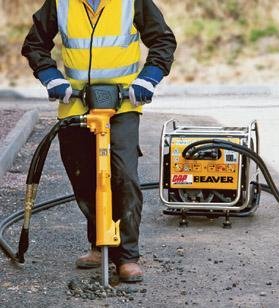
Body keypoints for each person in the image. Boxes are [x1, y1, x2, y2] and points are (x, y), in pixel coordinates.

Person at [22, 0, 176, 282]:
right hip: (76, 106)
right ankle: (99, 243)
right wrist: (51, 77)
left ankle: (127, 256)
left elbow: (163, 40)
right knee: (84, 179)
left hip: (122, 106)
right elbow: (34, 44)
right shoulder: (61, 2)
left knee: (124, 177)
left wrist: (147, 80)